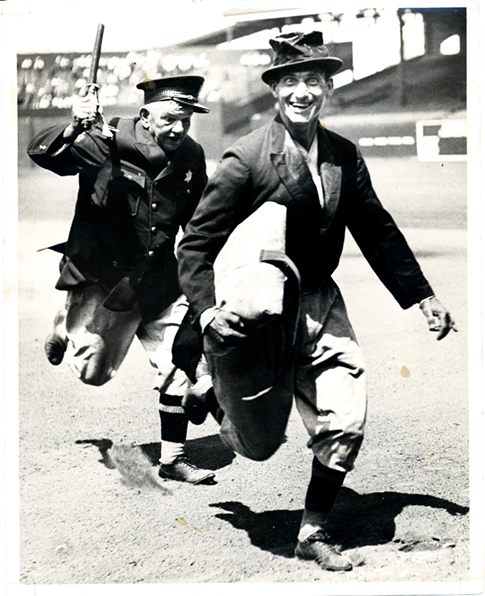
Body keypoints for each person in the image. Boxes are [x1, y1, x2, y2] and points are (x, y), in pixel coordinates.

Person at [175, 32, 456, 569]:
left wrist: (422, 296)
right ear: (275, 91)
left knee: (346, 419)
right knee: (256, 446)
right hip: (257, 312)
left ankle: (312, 529)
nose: (302, 92)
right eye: (290, 82)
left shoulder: (344, 155)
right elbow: (197, 244)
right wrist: (209, 311)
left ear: (327, 88)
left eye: (312, 81)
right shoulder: (248, 157)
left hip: (321, 303)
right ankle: (212, 393)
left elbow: (377, 229)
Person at [27, 74, 216, 485]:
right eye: (170, 118)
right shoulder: (103, 138)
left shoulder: (191, 155)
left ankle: (173, 458)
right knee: (92, 373)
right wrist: (74, 126)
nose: (178, 128)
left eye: (186, 119)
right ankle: (65, 325)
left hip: (160, 280)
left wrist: (200, 278)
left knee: (175, 362)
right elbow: (44, 155)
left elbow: (197, 224)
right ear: (145, 116)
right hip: (104, 281)